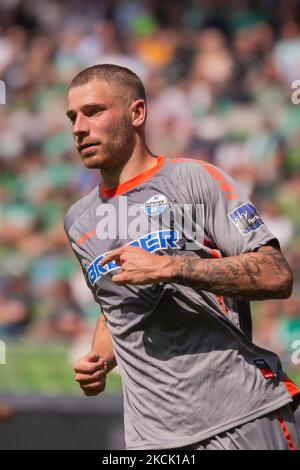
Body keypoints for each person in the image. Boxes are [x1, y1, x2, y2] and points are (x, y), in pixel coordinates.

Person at [64, 64, 300, 450]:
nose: (79, 127)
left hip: (239, 419)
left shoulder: (193, 181)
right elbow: (115, 308)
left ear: (136, 113)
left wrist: (174, 266)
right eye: (73, 117)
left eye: (93, 111)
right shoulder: (79, 221)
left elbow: (277, 274)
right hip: (151, 441)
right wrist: (100, 358)